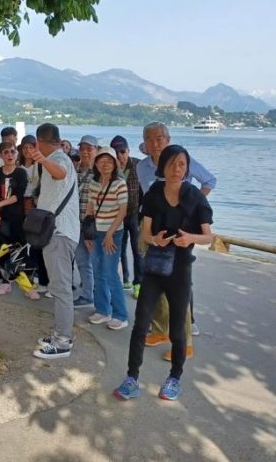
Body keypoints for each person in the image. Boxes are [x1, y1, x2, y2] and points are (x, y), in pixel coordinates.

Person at [113, 145, 213, 401]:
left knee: (178, 329)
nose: (177, 169)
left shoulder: (195, 197)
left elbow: (209, 237)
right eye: (171, 164)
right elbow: (145, 232)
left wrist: (189, 237)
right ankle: (132, 378)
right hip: (155, 267)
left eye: (182, 164)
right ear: (163, 167)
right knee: (140, 325)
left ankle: (174, 378)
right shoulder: (155, 193)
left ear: (187, 168)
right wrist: (155, 239)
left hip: (180, 269)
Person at [136, 122, 216, 353]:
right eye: (150, 138)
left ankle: (184, 337)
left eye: (160, 137)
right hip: (153, 229)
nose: (156, 142)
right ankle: (160, 330)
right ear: (145, 143)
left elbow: (209, 181)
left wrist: (190, 206)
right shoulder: (143, 167)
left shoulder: (181, 161)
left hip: (180, 231)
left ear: (168, 139)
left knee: (179, 281)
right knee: (154, 275)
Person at [30, 123, 79, 360]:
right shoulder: (57, 157)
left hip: (60, 234)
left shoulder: (60, 159)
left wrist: (42, 159)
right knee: (58, 287)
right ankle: (60, 333)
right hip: (57, 234)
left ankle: (62, 342)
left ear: (41, 142)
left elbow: (61, 172)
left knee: (60, 288)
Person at [84, 146, 129, 330]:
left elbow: (123, 211)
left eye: (109, 161)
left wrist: (110, 233)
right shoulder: (93, 183)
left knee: (111, 273)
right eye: (102, 161)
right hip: (96, 232)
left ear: (115, 164)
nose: (105, 164)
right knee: (97, 272)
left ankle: (121, 315)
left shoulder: (120, 183)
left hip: (114, 232)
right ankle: (103, 310)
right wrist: (87, 233)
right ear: (96, 164)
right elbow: (90, 208)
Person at [0, 141, 27, 295]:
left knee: (18, 248)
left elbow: (18, 195)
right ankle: (4, 280)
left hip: (15, 216)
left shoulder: (21, 173)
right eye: (6, 152)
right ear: (1, 155)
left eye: (12, 151)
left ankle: (21, 279)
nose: (10, 155)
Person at [111, 135, 143, 296]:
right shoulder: (111, 170)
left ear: (128, 151)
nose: (120, 156)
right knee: (120, 249)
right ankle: (125, 279)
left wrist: (143, 216)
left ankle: (138, 283)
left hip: (135, 216)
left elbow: (145, 192)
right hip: (118, 217)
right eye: (116, 153)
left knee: (137, 250)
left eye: (122, 152)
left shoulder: (138, 165)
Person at [72, 135, 98, 309]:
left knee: (96, 263)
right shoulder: (74, 171)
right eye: (82, 148)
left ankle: (99, 296)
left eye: (89, 149)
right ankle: (88, 295)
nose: (85, 152)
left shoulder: (100, 173)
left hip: (92, 226)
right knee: (82, 262)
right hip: (75, 224)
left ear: (96, 150)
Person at [18, 135, 45, 299]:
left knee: (36, 244)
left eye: (31, 147)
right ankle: (22, 275)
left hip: (35, 206)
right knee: (20, 242)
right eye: (25, 148)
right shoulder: (17, 166)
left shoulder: (40, 166)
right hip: (18, 205)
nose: (28, 151)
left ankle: (37, 276)